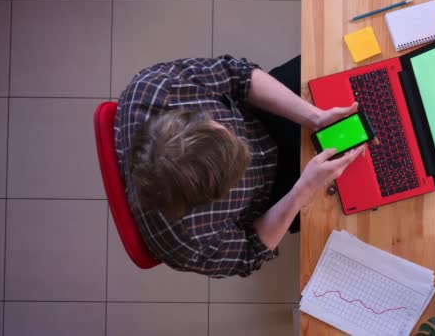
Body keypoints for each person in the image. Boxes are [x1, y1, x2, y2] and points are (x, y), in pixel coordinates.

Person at [115, 55, 363, 278]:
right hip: (279, 192)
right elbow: (250, 251)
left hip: (262, 111)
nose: (238, 137)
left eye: (225, 129)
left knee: (347, 75)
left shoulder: (156, 88)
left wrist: (314, 116)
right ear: (212, 196)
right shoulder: (187, 243)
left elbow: (238, 76)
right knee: (369, 187)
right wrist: (304, 189)